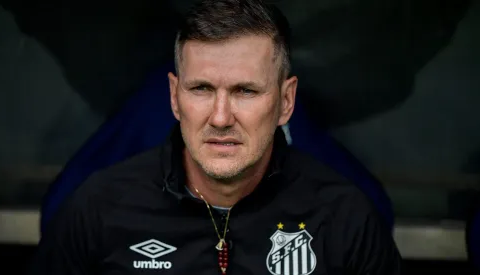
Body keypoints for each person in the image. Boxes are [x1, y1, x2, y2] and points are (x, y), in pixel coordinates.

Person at [29, 0, 401, 274]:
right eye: (202, 89)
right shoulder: (98, 208)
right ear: (174, 97)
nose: (221, 118)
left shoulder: (345, 219)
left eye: (245, 91)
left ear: (286, 101)